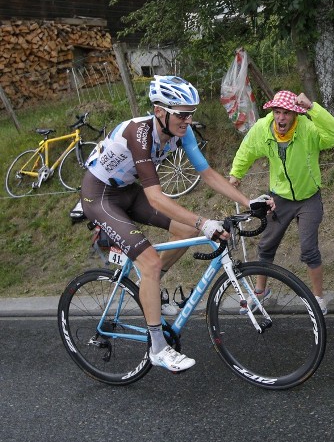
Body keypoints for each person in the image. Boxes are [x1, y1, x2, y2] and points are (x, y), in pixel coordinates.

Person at [81, 75, 270, 373]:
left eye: (190, 112)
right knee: (151, 261)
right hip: (101, 196)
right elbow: (155, 198)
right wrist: (204, 221)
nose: (188, 119)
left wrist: (249, 202)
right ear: (160, 111)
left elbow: (207, 174)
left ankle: (150, 289)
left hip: (129, 191)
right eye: (181, 114)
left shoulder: (182, 133)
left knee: (186, 230)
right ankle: (157, 348)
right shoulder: (139, 133)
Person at [229, 90, 334, 316]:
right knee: (265, 246)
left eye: (286, 113)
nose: (281, 118)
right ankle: (261, 293)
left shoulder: (308, 128)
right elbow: (247, 149)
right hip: (279, 198)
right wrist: (236, 174)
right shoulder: (264, 128)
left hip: (309, 198)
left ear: (295, 114)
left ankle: (319, 299)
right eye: (277, 112)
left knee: (309, 249)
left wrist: (312, 108)